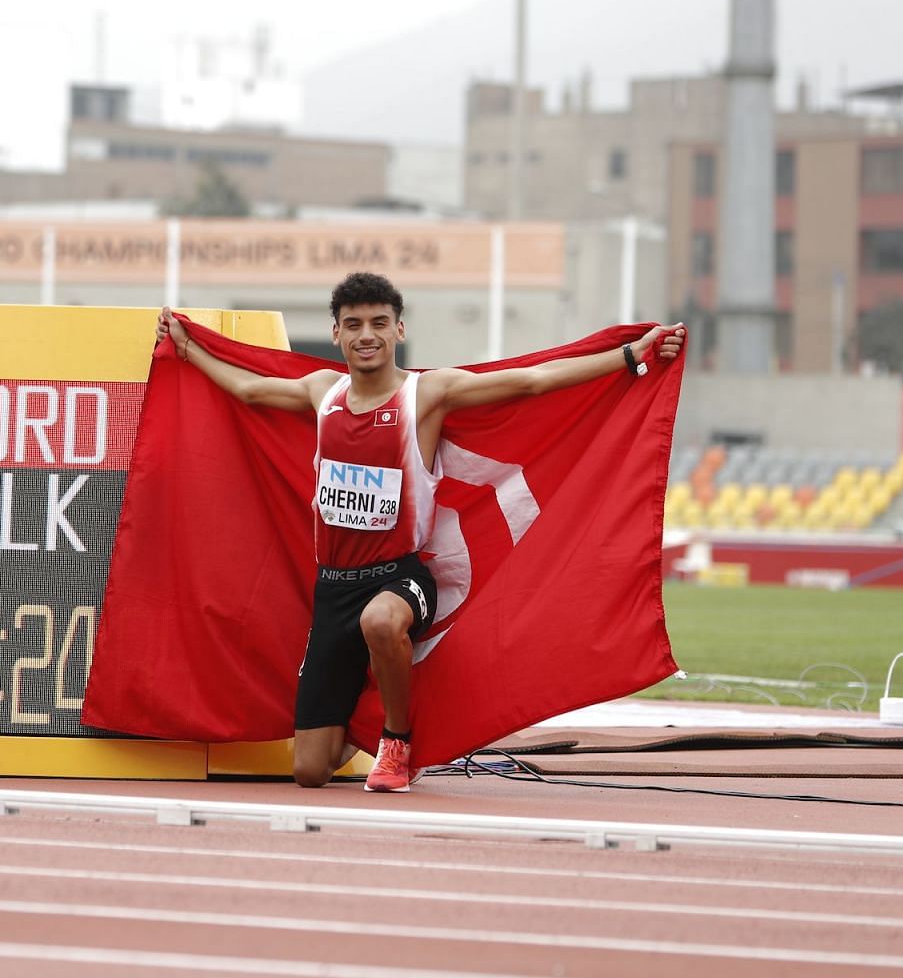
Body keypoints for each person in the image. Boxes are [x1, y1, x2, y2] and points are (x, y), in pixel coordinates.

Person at [157, 271, 683, 794]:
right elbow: (249, 389)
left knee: (381, 621)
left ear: (399, 330)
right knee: (310, 772)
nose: (368, 334)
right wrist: (189, 351)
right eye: (354, 324)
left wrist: (630, 356)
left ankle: (397, 740)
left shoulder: (427, 394)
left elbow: (532, 381)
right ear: (336, 333)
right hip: (333, 589)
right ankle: (366, 710)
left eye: (380, 323)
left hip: (400, 580)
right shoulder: (324, 393)